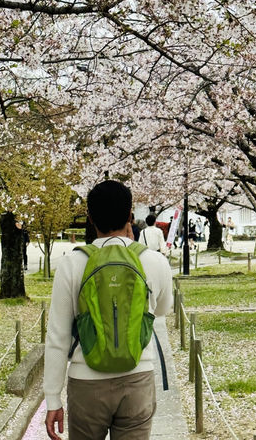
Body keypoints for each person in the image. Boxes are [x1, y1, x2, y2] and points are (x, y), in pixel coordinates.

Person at [44, 180, 173, 440]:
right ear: (129, 216)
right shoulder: (155, 261)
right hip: (137, 377)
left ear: (90, 218)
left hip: (86, 383)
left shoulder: (72, 264)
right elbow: (162, 310)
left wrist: (52, 399)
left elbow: (57, 337)